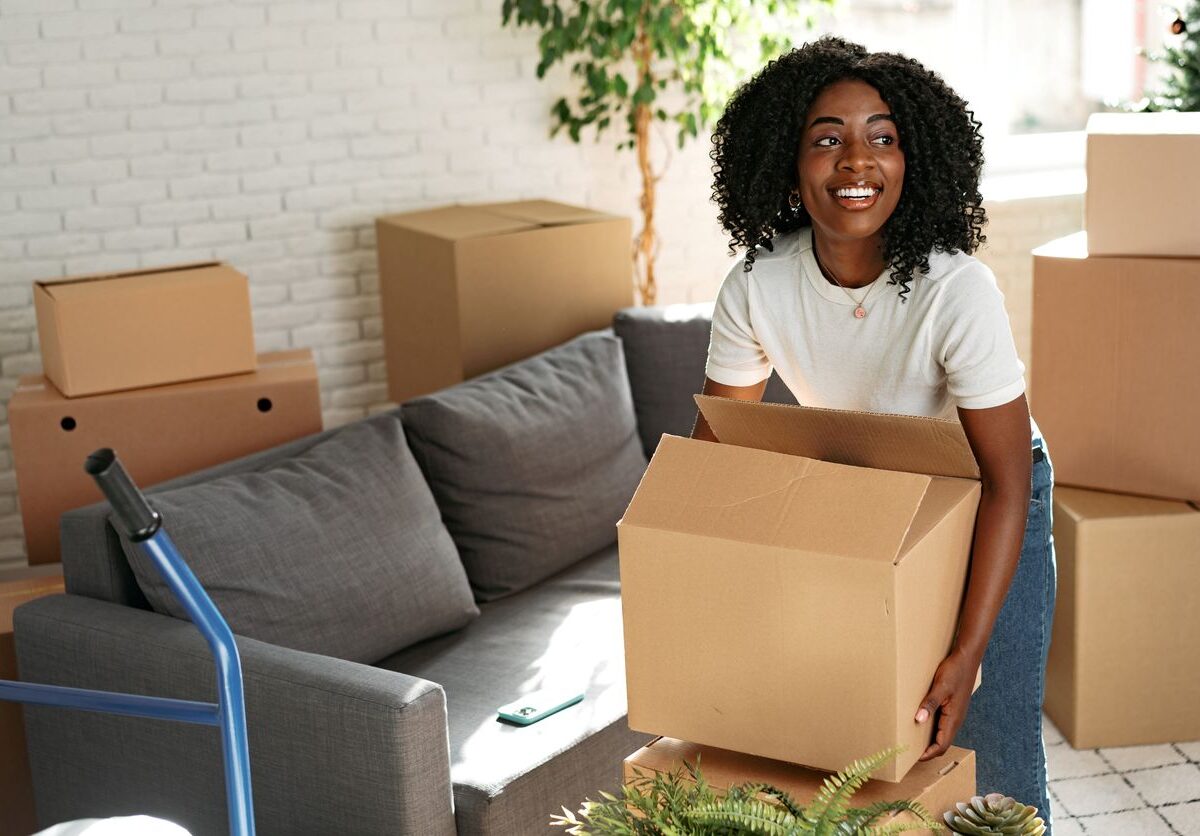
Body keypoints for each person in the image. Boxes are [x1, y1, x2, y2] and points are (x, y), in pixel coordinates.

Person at [692, 36, 1057, 831]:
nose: (857, 161)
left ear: (912, 158)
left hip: (995, 492)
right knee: (874, 754)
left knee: (990, 757)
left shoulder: (957, 290)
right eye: (828, 138)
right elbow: (714, 470)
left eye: (883, 137)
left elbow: (1001, 481)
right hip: (878, 490)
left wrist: (966, 655)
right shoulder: (757, 286)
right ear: (788, 162)